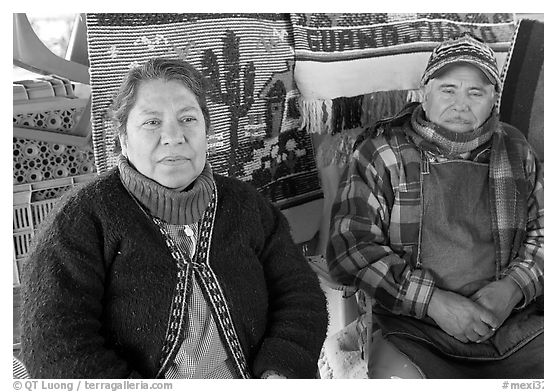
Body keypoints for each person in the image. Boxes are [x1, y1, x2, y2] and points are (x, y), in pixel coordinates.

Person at [20, 58, 328, 379]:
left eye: (188, 119)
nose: (174, 136)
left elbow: (300, 292)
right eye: (152, 122)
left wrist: (280, 368)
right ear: (123, 139)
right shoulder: (82, 219)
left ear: (206, 131)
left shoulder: (246, 204)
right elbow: (55, 341)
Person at [327, 34, 544, 379]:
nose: (461, 105)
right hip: (414, 327)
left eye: (476, 93)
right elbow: (351, 248)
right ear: (425, 94)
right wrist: (433, 302)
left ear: (493, 100)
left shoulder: (515, 148)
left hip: (513, 324)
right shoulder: (381, 153)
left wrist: (513, 288)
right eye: (448, 90)